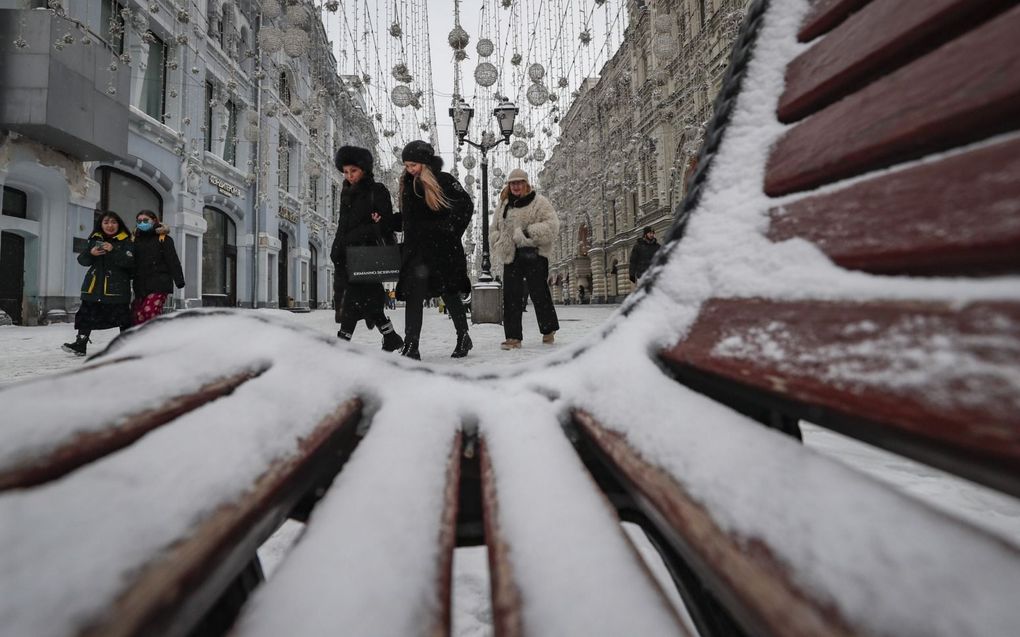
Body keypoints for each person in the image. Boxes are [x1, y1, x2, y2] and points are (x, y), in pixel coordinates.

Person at [395, 140, 474, 359]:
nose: (409, 169)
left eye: (413, 165)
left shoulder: (444, 180)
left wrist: (449, 229)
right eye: (407, 165)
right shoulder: (407, 185)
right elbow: (410, 220)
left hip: (442, 249)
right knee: (413, 293)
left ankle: (464, 336)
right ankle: (412, 345)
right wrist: (386, 221)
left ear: (425, 162)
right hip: (416, 251)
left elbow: (466, 205)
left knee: (449, 293)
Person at [330, 145, 403, 351]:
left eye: (353, 170)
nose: (349, 175)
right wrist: (336, 249)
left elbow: (385, 223)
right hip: (347, 256)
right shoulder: (346, 193)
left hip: (368, 255)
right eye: (345, 171)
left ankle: (341, 344)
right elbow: (342, 226)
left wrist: (370, 228)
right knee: (369, 301)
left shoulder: (377, 191)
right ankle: (391, 337)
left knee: (353, 300)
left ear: (364, 169)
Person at [489, 168, 560, 350]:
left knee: (539, 293)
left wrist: (527, 233)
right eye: (513, 183)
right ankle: (513, 337)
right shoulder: (504, 205)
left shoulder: (539, 202)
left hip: (533, 254)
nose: (516, 186)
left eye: (520, 182)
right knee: (511, 295)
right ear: (509, 185)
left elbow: (552, 225)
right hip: (511, 255)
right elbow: (494, 227)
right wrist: (498, 239)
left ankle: (548, 329)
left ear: (526, 184)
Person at [62, 211, 135, 356]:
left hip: (117, 288)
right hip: (94, 286)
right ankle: (80, 344)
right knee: (86, 314)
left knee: (122, 318)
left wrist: (113, 250)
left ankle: (127, 346)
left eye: (113, 222)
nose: (110, 225)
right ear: (100, 224)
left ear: (119, 224)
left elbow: (130, 262)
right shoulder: (95, 239)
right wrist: (91, 253)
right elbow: (82, 261)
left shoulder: (126, 241)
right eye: (106, 222)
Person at [131, 210, 185, 326]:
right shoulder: (135, 240)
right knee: (138, 316)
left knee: (150, 312)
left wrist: (179, 280)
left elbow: (173, 261)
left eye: (145, 220)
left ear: (154, 220)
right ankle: (144, 340)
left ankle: (155, 338)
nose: (142, 223)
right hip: (140, 283)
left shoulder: (164, 239)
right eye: (139, 221)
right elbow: (131, 261)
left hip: (159, 283)